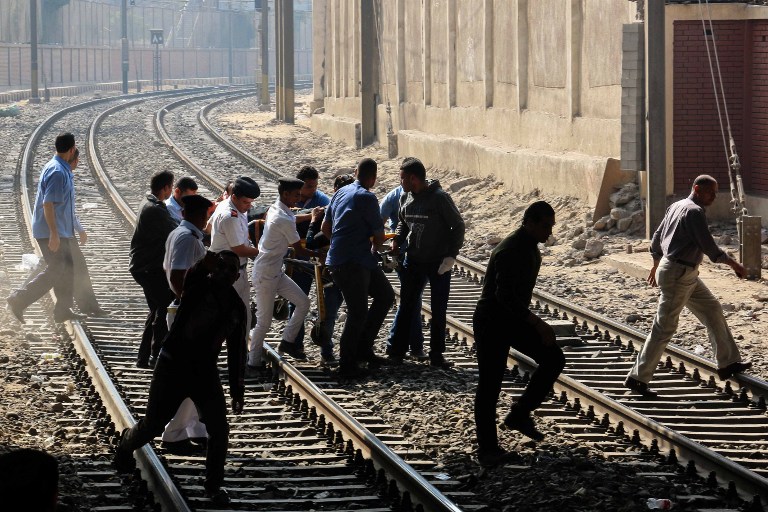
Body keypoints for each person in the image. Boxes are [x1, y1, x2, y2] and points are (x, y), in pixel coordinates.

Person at [115, 251, 246, 505]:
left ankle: (213, 486)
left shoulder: (236, 307)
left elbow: (237, 351)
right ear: (213, 269)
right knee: (154, 424)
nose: (226, 273)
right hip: (172, 366)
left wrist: (237, 391)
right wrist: (203, 262)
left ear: (237, 276)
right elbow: (190, 277)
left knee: (219, 429)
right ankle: (125, 445)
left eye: (231, 269)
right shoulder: (197, 288)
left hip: (204, 372)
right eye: (221, 267)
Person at [624, 175, 751, 396]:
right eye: (710, 192)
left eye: (714, 192)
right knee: (664, 327)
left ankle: (728, 363)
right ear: (697, 189)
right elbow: (710, 248)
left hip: (682, 272)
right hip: (678, 273)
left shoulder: (677, 206)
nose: (713, 196)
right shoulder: (694, 212)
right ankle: (637, 378)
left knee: (711, 309)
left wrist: (657, 264)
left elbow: (656, 238)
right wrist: (734, 265)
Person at [473, 201, 565, 467]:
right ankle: (488, 450)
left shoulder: (529, 247)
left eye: (552, 226)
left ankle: (520, 413)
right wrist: (538, 323)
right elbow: (504, 298)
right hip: (492, 322)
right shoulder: (512, 250)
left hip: (510, 319)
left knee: (553, 359)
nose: (549, 232)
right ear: (530, 223)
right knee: (490, 385)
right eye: (545, 226)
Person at [321, 158, 395, 378]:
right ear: (373, 178)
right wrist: (374, 249)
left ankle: (363, 349)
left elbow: (326, 227)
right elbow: (380, 235)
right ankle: (347, 363)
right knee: (358, 312)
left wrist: (339, 243)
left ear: (355, 172)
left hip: (348, 260)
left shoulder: (339, 193)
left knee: (385, 295)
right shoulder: (367, 197)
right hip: (352, 263)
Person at [387, 158, 465, 367]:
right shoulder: (405, 197)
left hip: (438, 263)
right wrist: (397, 240)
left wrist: (451, 255)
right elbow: (404, 223)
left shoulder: (440, 198)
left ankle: (436, 354)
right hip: (414, 261)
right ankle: (397, 352)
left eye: (402, 178)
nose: (400, 181)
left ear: (413, 178)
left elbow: (457, 226)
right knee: (407, 306)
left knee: (438, 309)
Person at [7, 132, 87, 324]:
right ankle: (18, 299)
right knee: (56, 268)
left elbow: (66, 205)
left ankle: (62, 310)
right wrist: (54, 234)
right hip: (51, 231)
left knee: (68, 268)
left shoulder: (62, 168)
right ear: (72, 149)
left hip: (61, 230)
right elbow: (48, 204)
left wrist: (77, 228)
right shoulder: (57, 172)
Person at [160, 194, 214, 452]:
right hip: (189, 314)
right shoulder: (186, 238)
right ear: (199, 215)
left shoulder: (179, 234)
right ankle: (174, 433)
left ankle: (195, 428)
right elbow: (177, 276)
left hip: (188, 311)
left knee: (197, 373)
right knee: (193, 375)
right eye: (205, 215)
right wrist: (193, 304)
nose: (206, 220)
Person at [250, 178, 320, 366]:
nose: (298, 198)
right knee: (263, 323)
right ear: (285, 194)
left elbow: (291, 217)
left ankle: (287, 342)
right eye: (295, 195)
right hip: (266, 274)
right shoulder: (283, 217)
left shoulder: (276, 208)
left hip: (275, 272)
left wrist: (307, 216)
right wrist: (320, 253)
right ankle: (253, 362)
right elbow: (300, 249)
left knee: (303, 303)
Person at [299, 173, 355, 366]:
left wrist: (314, 223)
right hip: (342, 272)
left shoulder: (331, 212)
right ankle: (332, 351)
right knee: (335, 312)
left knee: (332, 312)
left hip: (334, 271)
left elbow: (313, 242)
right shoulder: (349, 211)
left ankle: (332, 352)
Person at [209, 176, 260, 367]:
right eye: (246, 202)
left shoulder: (226, 205)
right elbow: (239, 248)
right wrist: (264, 252)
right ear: (235, 197)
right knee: (238, 316)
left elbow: (208, 227)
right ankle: (238, 358)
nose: (249, 206)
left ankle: (231, 355)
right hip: (230, 274)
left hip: (228, 270)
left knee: (228, 315)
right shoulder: (230, 216)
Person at [129, 170, 179, 368]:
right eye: (170, 187)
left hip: (144, 266)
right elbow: (175, 229)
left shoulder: (149, 203)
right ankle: (156, 355)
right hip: (149, 267)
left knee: (156, 309)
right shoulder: (155, 209)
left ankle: (144, 358)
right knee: (164, 308)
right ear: (166, 188)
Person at [286, 165, 332, 354]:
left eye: (314, 186)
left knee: (327, 304)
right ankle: (296, 345)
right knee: (297, 300)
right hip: (298, 259)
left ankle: (326, 349)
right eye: (309, 186)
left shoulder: (323, 201)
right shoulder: (289, 200)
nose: (312, 190)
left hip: (320, 257)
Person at [380, 184, 427, 360]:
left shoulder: (423, 196)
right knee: (412, 298)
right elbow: (379, 223)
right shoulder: (394, 197)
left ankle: (403, 345)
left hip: (418, 255)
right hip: (402, 254)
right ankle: (408, 345)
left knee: (412, 298)